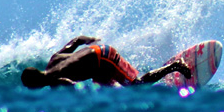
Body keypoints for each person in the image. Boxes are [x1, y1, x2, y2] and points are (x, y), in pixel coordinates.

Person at [20, 35, 190, 89]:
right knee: (106, 90)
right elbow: (77, 40)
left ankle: (175, 66)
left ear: (35, 82)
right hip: (97, 56)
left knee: (135, 86)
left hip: (104, 58)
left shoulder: (55, 79)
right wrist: (91, 39)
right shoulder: (53, 60)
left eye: (30, 86)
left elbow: (73, 87)